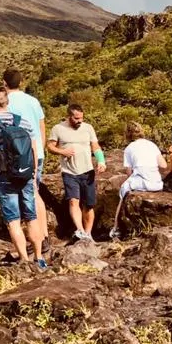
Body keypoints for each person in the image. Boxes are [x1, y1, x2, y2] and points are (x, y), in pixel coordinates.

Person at [0, 87, 47, 270]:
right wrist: (32, 175)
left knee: (13, 220)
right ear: (7, 102)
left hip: (4, 177)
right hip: (26, 174)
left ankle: (24, 260)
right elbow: (33, 149)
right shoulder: (23, 122)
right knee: (31, 218)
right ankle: (39, 257)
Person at [3, 67, 50, 262]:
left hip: (17, 155)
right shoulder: (33, 101)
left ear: (4, 83)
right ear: (21, 82)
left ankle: (31, 242)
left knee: (19, 196)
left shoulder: (6, 103)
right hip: (36, 152)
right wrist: (41, 150)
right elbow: (41, 126)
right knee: (35, 191)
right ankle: (44, 236)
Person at [47, 103, 106, 242]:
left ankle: (88, 233)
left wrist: (101, 161)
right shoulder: (58, 128)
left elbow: (95, 146)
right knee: (74, 201)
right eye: (76, 118)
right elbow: (49, 146)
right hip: (69, 172)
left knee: (89, 204)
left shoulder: (88, 128)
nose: (79, 121)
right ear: (69, 116)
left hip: (87, 170)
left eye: (81, 118)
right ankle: (79, 230)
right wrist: (63, 151)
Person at [109, 123, 167, 241]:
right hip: (156, 183)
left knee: (123, 190)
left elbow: (129, 172)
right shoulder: (152, 145)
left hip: (142, 182)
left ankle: (116, 228)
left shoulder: (129, 148)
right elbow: (163, 165)